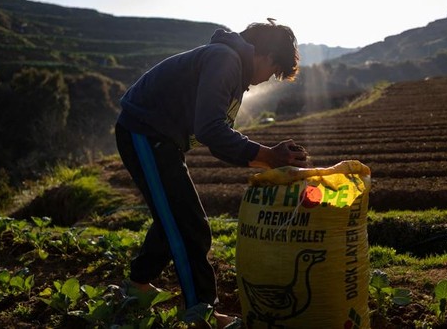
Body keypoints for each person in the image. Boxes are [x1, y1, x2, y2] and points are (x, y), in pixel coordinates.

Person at [114, 19, 310, 328]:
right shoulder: (225, 60)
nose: (266, 80)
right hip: (144, 133)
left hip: (160, 140)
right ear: (266, 54)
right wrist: (267, 155)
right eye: (273, 71)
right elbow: (210, 130)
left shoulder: (233, 69)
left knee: (176, 217)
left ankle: (137, 287)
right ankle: (201, 312)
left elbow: (217, 141)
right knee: (188, 223)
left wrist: (269, 161)